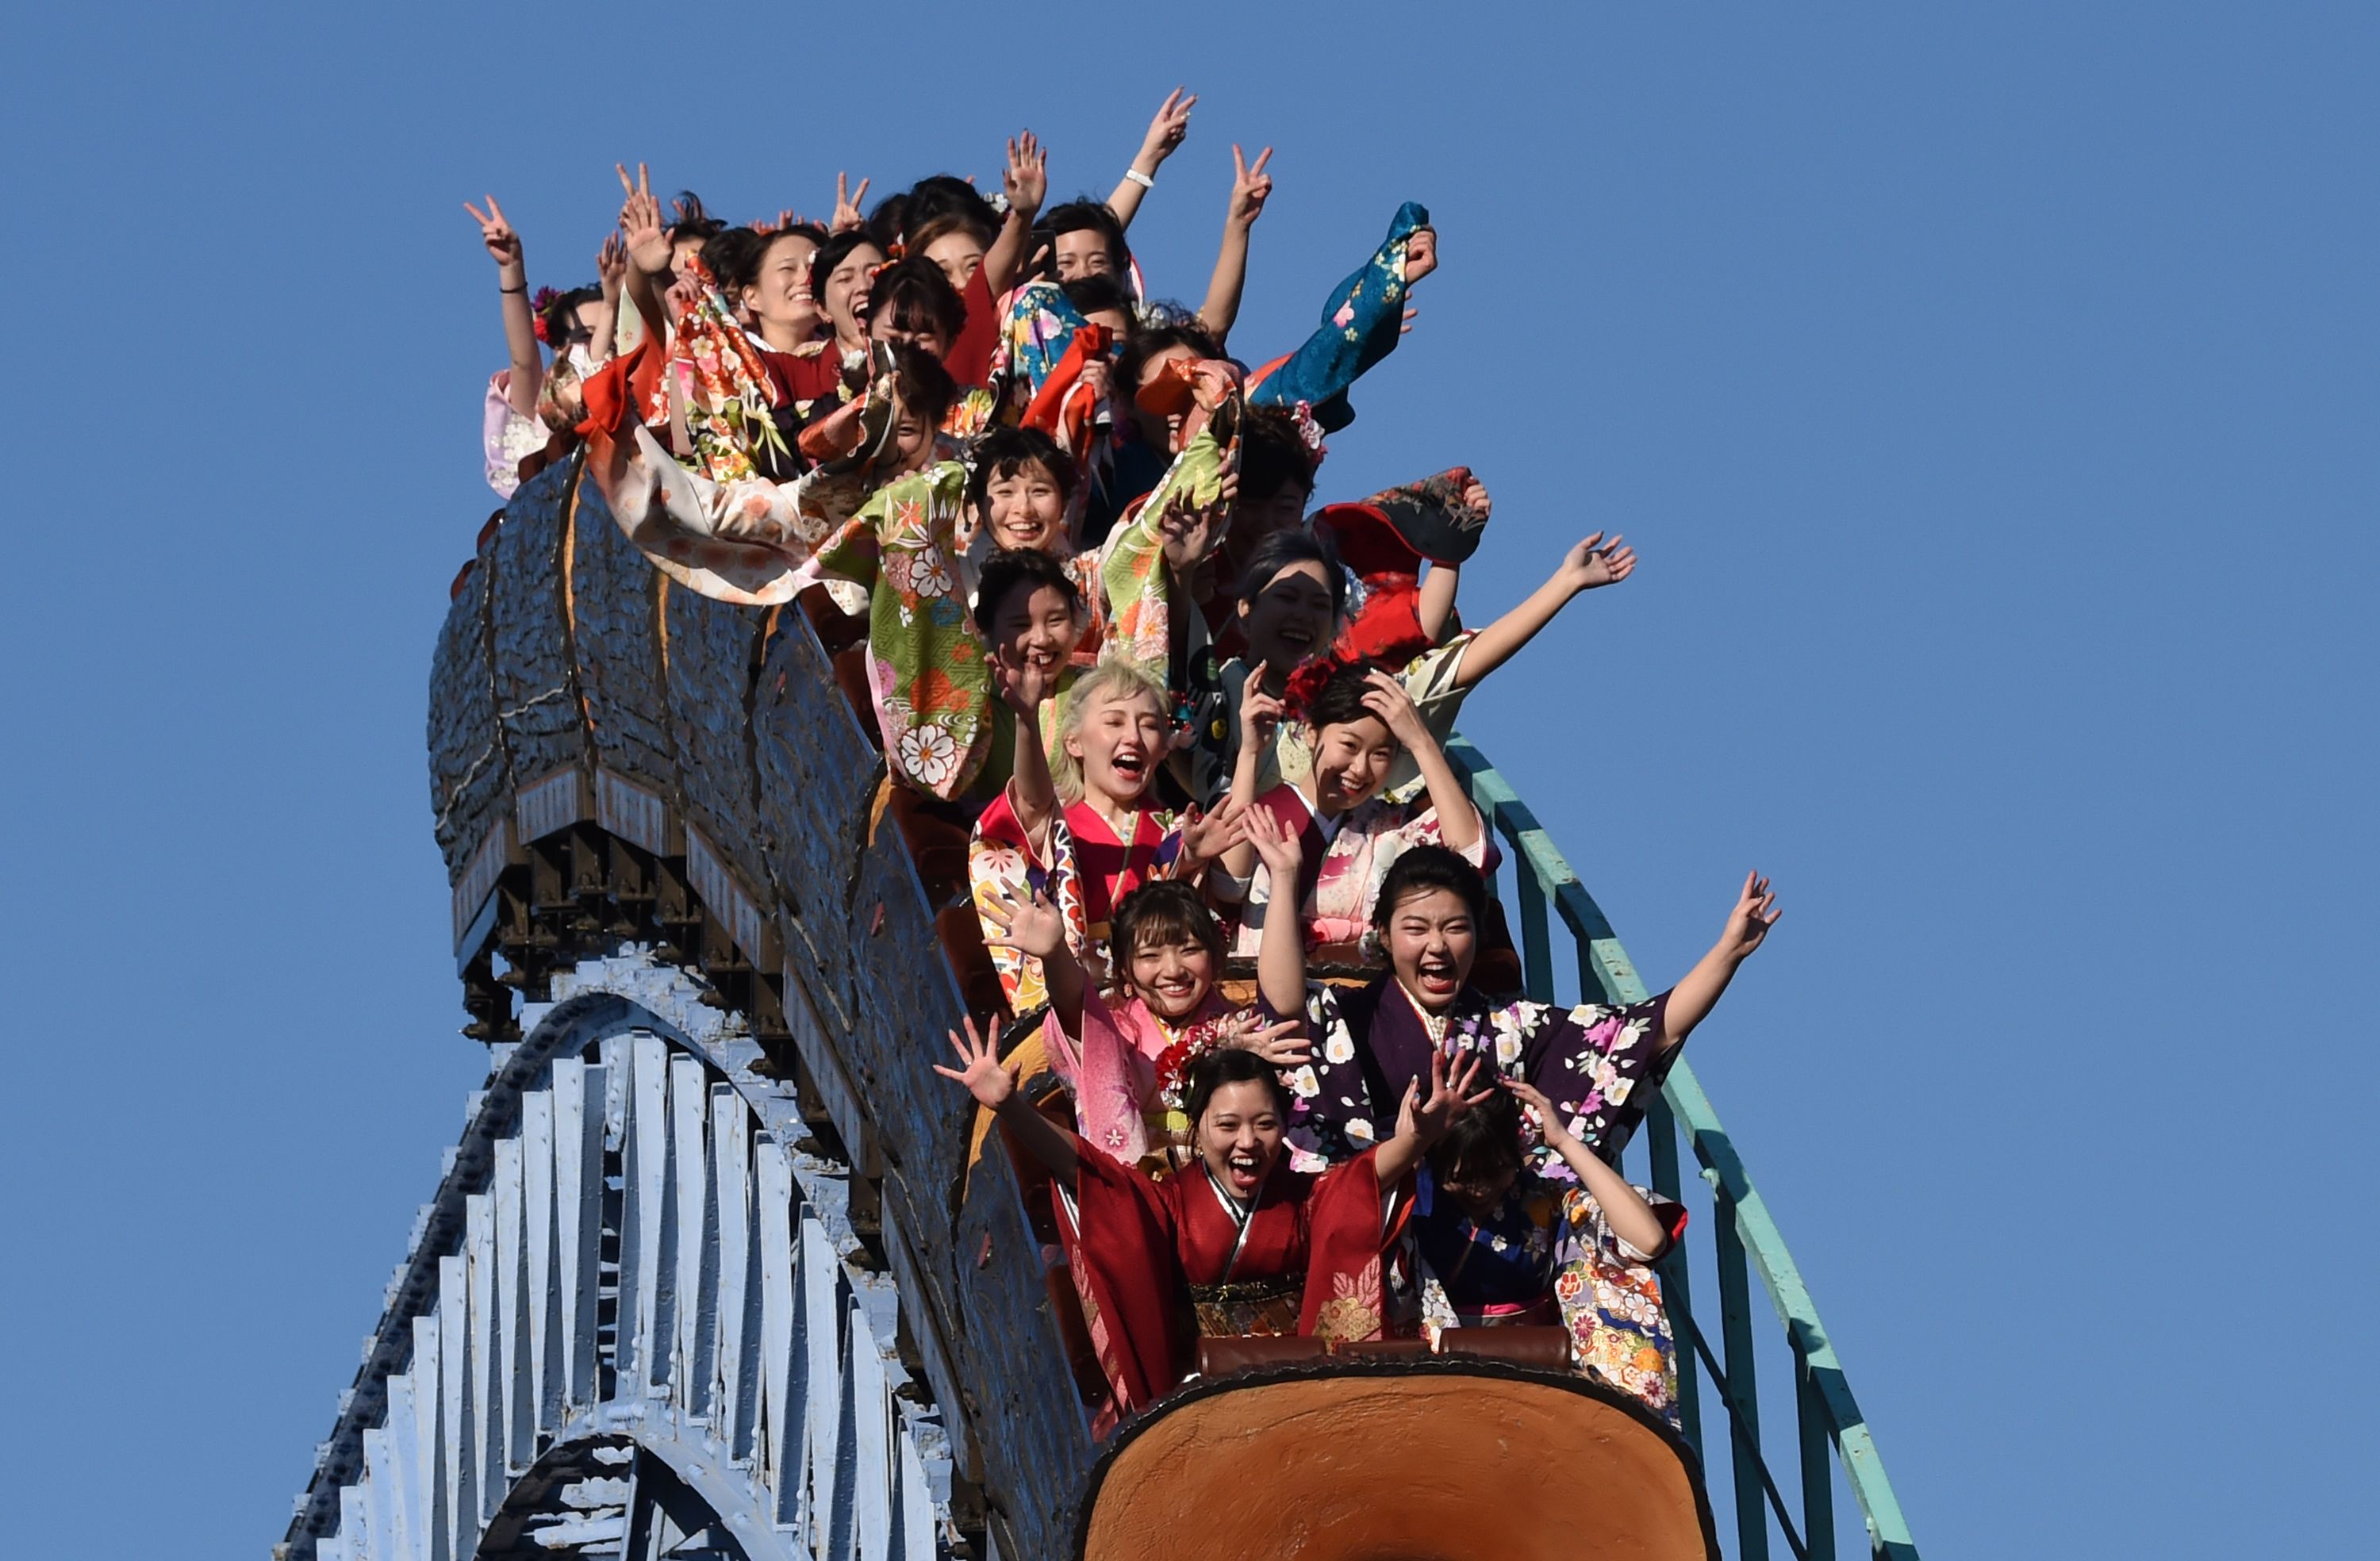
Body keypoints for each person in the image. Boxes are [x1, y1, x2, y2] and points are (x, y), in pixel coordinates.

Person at [935, 1014, 1494, 1421]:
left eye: (1265, 1125)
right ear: (1195, 1128)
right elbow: (1090, 1173)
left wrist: (1418, 1138)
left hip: (1303, 1394)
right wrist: (1011, 1106)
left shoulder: (1306, 1199)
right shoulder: (1167, 1203)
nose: (1248, 1143)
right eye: (1227, 1126)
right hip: (1196, 1400)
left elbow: (1365, 1180)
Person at [1288, 846, 1779, 1167]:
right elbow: (1284, 1001)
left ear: (1479, 936)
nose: (1437, 945)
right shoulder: (1344, 1018)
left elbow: (1646, 1030)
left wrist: (1728, 952)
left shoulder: (1512, 1024)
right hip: (1384, 1226)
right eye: (1416, 929)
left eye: (1455, 928)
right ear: (1383, 936)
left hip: (1484, 1233)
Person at [977, 838, 1310, 1169]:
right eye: (1150, 956)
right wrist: (1055, 954)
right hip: (1139, 1185)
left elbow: (1286, 1012)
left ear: (1216, 956)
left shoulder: (1242, 1028)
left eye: (1190, 950)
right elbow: (1080, 1013)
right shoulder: (1115, 1027)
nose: (1174, 970)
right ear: (1124, 969)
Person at [967, 657, 1243, 1008]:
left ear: (1163, 747)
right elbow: (1031, 799)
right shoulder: (1056, 823)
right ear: (1074, 743)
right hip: (1076, 996)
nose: (1133, 737)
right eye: (1114, 721)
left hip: (1158, 998)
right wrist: (1026, 721)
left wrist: (1188, 860)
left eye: (1148, 725)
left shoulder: (1177, 830)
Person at [1414, 1077, 1686, 1421]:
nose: (1480, 1189)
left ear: (1517, 1155)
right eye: (1463, 1177)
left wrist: (1564, 1141)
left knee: (1600, 1258)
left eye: (1496, 1172)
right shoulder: (1410, 1204)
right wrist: (1411, 1142)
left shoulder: (1547, 1201)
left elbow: (1647, 1241)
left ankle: (1621, 1415)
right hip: (1434, 1372)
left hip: (1537, 1372)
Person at [1212, 662, 1490, 955]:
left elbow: (1472, 856)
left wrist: (1420, 741)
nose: (1360, 769)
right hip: (1265, 989)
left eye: (1381, 754)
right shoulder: (1264, 813)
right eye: (1349, 745)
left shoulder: (1389, 827)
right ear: (1311, 733)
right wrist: (1250, 753)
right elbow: (1229, 885)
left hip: (1359, 994)